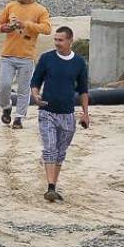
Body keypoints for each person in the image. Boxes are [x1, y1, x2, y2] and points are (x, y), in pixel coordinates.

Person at [30, 27, 89, 202]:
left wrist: (85, 114)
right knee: (49, 148)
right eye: (55, 40)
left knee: (60, 151)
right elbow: (35, 81)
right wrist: (35, 95)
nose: (57, 43)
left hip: (67, 114)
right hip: (47, 110)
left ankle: (53, 185)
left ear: (70, 40)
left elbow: (84, 90)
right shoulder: (47, 58)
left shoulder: (79, 63)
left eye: (60, 40)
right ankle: (50, 187)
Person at [0, 0, 52, 129]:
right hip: (7, 54)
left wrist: (25, 24)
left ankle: (19, 118)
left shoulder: (40, 10)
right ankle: (6, 107)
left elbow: (47, 29)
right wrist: (3, 28)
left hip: (26, 56)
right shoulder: (10, 6)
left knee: (23, 89)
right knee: (4, 85)